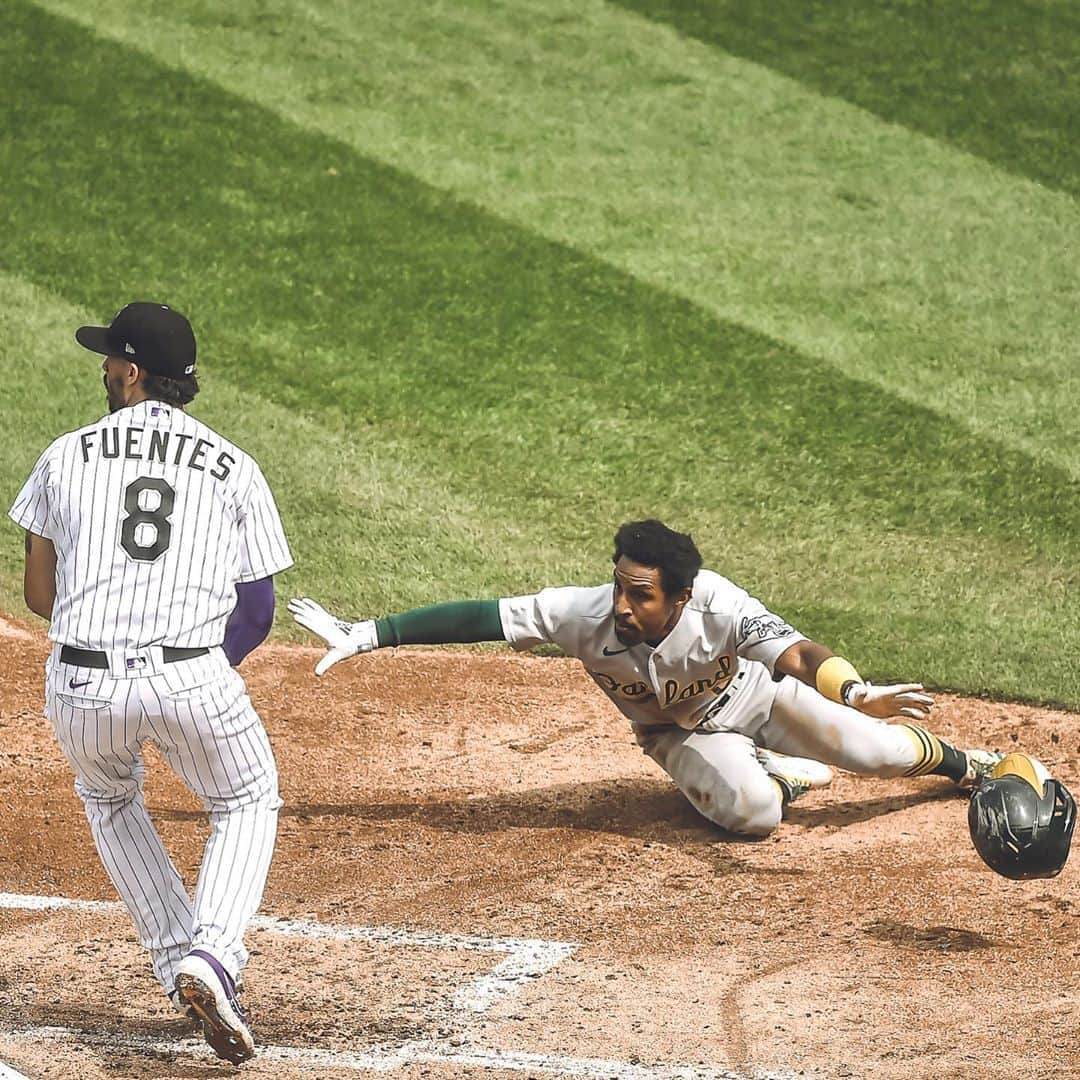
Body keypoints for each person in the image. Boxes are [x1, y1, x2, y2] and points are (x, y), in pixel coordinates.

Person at [290, 519, 1001, 837]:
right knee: (755, 816)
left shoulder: (720, 604)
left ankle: (972, 765)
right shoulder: (582, 614)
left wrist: (855, 694)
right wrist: (370, 633)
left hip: (756, 699)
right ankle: (775, 777)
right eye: (621, 587)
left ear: (682, 596)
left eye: (643, 595)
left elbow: (799, 655)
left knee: (877, 751)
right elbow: (483, 615)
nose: (624, 607)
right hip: (676, 734)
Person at [8, 302, 293, 1064]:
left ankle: (177, 963)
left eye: (109, 359)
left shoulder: (62, 455)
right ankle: (213, 957)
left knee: (109, 800)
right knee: (244, 797)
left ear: (132, 372)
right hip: (190, 676)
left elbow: (42, 598)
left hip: (80, 684)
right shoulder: (235, 465)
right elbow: (258, 610)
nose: (103, 369)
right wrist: (192, 677)